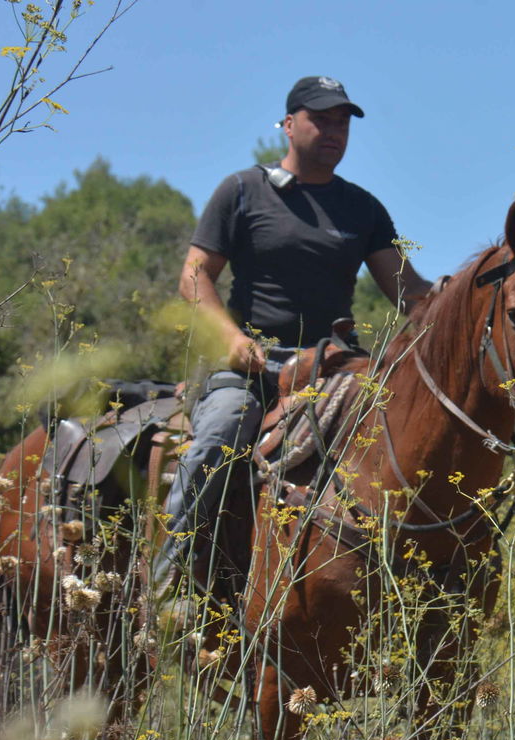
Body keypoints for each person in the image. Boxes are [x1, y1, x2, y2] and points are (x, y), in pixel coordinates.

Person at [154, 75, 433, 596]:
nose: (334, 132)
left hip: (334, 366)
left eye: (342, 123)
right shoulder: (242, 190)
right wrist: (232, 339)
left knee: (401, 437)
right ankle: (174, 578)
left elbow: (409, 292)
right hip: (251, 368)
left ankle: (404, 587)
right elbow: (195, 276)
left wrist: (476, 293)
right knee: (216, 440)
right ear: (288, 125)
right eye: (320, 119)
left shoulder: (363, 208)